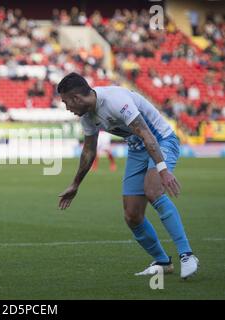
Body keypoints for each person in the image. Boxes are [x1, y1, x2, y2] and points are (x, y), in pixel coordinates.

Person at [57, 73, 198, 279]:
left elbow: (147, 134)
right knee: (132, 215)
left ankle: (187, 255)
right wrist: (75, 184)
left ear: (77, 98)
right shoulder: (87, 116)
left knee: (153, 190)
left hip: (161, 141)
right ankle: (162, 261)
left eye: (66, 102)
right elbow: (89, 151)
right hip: (137, 149)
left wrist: (163, 169)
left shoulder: (116, 101)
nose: (67, 107)